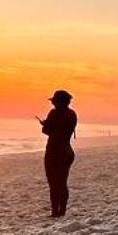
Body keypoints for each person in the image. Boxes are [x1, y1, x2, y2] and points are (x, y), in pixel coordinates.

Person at [40, 89, 77, 217]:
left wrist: (45, 124)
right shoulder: (72, 114)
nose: (53, 104)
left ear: (58, 102)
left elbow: (46, 131)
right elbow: (65, 131)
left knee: (53, 183)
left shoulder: (54, 113)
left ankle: (55, 211)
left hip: (54, 151)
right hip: (67, 150)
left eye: (54, 101)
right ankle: (62, 211)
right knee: (62, 182)